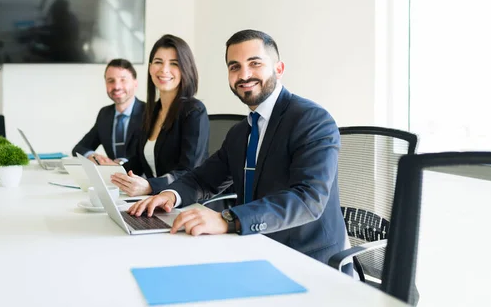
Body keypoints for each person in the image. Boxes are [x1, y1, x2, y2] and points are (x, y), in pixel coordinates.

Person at [128, 29, 350, 272]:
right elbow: (203, 179)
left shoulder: (311, 120)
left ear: (279, 69)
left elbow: (307, 199)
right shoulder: (240, 132)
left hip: (308, 263)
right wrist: (170, 195)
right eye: (234, 67)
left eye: (255, 63)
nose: (244, 74)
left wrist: (228, 219)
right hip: (254, 250)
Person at [107, 34, 210, 197]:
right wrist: (108, 175)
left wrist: (150, 186)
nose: (164, 70)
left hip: (185, 203)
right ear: (150, 68)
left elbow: (189, 172)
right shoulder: (150, 111)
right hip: (155, 201)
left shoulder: (194, 111)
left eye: (174, 63)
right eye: (158, 62)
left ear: (185, 68)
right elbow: (138, 163)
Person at [72, 59, 145, 164]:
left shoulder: (149, 113)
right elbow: (79, 148)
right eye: (111, 80)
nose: (116, 86)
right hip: (112, 178)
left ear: (135, 83)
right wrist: (92, 156)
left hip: (142, 179)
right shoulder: (105, 114)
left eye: (123, 80)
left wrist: (119, 163)